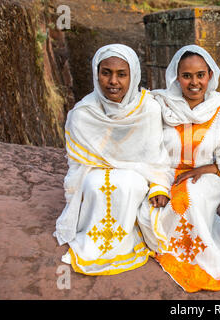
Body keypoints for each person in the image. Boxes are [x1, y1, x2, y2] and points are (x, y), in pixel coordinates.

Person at [137, 45, 220, 292]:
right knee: (148, 213)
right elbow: (150, 150)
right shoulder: (160, 103)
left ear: (210, 76)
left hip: (205, 178)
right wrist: (158, 184)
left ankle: (199, 260)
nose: (194, 82)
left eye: (200, 75)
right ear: (176, 77)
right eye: (186, 75)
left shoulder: (219, 107)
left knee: (192, 200)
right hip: (163, 174)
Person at [54, 44, 172, 275]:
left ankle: (130, 237)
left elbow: (155, 159)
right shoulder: (83, 113)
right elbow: (78, 165)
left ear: (134, 75)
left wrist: (159, 185)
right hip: (94, 172)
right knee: (95, 185)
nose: (113, 81)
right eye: (106, 72)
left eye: (121, 74)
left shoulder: (147, 109)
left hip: (137, 177)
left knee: (129, 185)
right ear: (96, 74)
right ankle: (94, 239)